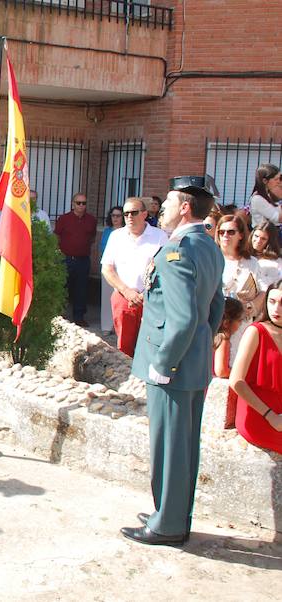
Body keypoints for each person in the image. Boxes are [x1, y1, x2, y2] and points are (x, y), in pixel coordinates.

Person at [122, 177, 224, 547]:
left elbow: (181, 319)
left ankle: (166, 525)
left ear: (185, 207)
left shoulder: (176, 251)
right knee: (184, 447)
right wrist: (199, 346)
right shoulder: (208, 246)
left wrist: (163, 364)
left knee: (168, 447)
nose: (159, 207)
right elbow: (215, 309)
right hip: (193, 362)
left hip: (173, 366)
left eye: (166, 202)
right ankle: (172, 514)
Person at [100, 197, 168, 356]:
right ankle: (127, 377)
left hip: (150, 299)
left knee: (150, 345)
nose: (129, 217)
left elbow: (166, 270)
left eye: (134, 212)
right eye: (126, 214)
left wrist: (145, 295)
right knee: (124, 346)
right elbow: (107, 269)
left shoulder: (160, 236)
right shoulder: (116, 236)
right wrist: (126, 291)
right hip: (124, 297)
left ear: (144, 214)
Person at [229, 280, 282, 454]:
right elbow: (236, 381)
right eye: (272, 301)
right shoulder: (256, 331)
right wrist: (270, 416)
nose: (276, 309)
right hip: (260, 416)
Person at [216, 214, 265, 362]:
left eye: (231, 232)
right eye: (221, 231)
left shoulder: (252, 262)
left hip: (240, 322)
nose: (225, 235)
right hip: (215, 322)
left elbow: (263, 291)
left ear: (241, 235)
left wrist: (250, 307)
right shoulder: (212, 257)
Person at [54, 193, 96, 326]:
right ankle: (59, 315)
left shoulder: (91, 220)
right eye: (79, 203)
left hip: (83, 260)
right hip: (66, 259)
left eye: (84, 203)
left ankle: (79, 317)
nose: (81, 206)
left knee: (81, 289)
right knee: (62, 287)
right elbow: (56, 236)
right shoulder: (64, 219)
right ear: (73, 204)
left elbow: (92, 238)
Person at [99, 205, 124, 335]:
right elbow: (102, 248)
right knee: (107, 297)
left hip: (123, 269)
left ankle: (118, 326)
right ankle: (106, 326)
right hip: (109, 268)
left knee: (120, 298)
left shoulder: (126, 231)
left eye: (118, 216)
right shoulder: (107, 231)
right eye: (113, 216)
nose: (115, 218)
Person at [214, 297, 245, 380]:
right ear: (226, 323)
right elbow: (221, 371)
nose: (241, 324)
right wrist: (239, 373)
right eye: (239, 320)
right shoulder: (223, 339)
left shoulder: (211, 336)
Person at [247, 163, 282, 229]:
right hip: (263, 235)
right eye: (275, 179)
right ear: (265, 181)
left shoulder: (270, 195)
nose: (279, 182)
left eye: (279, 179)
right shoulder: (257, 198)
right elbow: (277, 218)